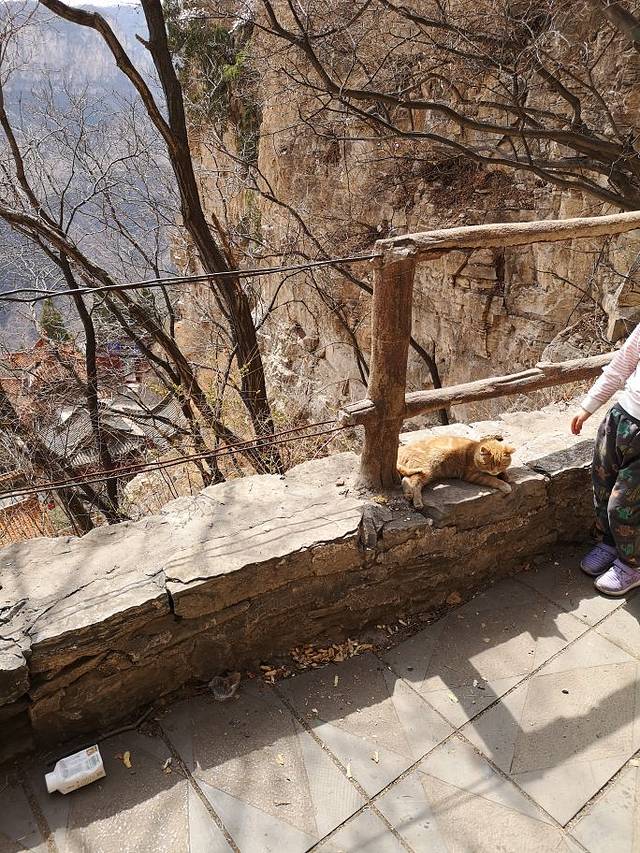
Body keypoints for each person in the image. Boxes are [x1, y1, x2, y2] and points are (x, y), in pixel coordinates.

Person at [572, 324, 640, 595]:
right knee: (602, 486)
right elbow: (621, 365)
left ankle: (631, 564)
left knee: (623, 504)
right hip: (620, 419)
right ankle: (609, 542)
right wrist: (588, 406)